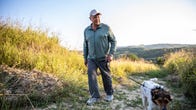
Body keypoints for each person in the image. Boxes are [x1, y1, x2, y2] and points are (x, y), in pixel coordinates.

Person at [83, 9, 117, 105]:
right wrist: (85, 58)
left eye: (98, 16)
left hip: (103, 58)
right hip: (91, 58)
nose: (97, 18)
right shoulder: (86, 30)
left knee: (106, 76)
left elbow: (114, 41)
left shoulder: (106, 28)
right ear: (90, 18)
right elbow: (85, 45)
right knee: (91, 77)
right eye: (95, 17)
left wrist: (111, 54)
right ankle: (95, 96)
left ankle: (109, 94)